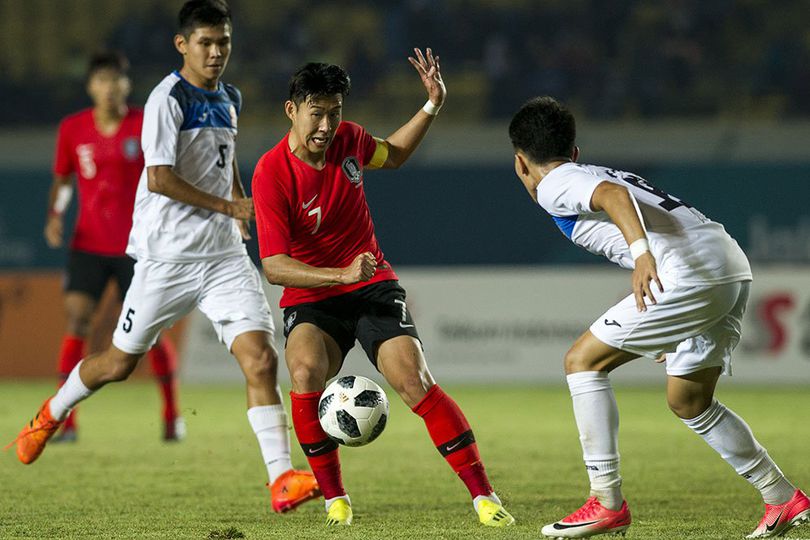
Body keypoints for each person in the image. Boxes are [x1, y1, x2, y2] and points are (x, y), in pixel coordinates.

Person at [11, 0, 320, 514]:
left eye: (224, 41)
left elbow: (226, 160)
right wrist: (229, 203)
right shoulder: (166, 99)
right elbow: (158, 177)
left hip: (222, 256)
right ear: (183, 45)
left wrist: (238, 207)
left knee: (261, 359)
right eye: (206, 43)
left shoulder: (230, 96)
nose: (217, 52)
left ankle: (281, 479)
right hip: (166, 260)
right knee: (117, 363)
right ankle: (51, 413)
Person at [508, 96, 809, 539]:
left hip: (689, 272)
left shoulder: (556, 180)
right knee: (689, 401)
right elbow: (619, 193)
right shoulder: (590, 170)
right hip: (728, 265)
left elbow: (613, 197)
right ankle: (782, 497)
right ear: (574, 149)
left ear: (520, 162)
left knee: (581, 363)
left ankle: (606, 502)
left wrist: (642, 254)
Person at [251, 53, 514, 528]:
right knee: (305, 370)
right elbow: (273, 267)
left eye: (335, 111)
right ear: (291, 110)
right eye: (317, 113)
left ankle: (485, 497)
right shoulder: (270, 172)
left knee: (414, 381)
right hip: (315, 295)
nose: (328, 124)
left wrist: (432, 105)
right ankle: (336, 499)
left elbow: (392, 154)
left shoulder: (349, 139)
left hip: (372, 285)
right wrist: (339, 275)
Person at [46, 51, 183, 443]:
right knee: (76, 321)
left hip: (138, 247)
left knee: (150, 332)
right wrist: (56, 213)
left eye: (116, 80)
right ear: (91, 86)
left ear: (126, 85)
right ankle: (66, 421)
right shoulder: (72, 129)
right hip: (88, 243)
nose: (109, 87)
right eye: (102, 80)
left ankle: (172, 416)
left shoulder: (145, 124)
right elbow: (65, 179)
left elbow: (166, 175)